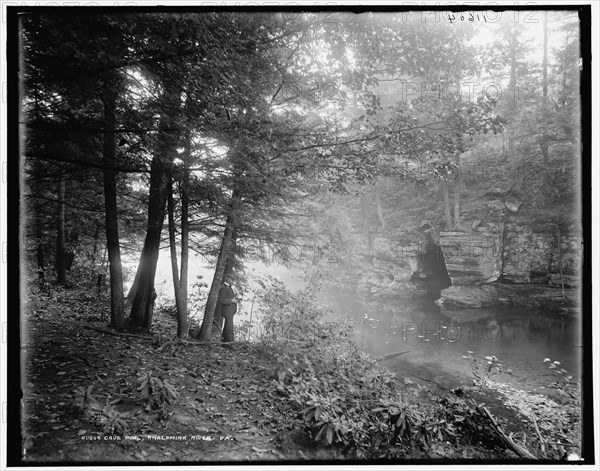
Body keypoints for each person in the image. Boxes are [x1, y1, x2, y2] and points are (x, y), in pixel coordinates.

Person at [219, 275, 238, 343]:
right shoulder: (224, 288)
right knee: (229, 327)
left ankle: (225, 342)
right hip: (227, 311)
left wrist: (234, 299)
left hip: (230, 311)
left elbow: (228, 297)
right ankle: (230, 343)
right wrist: (231, 301)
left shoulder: (228, 288)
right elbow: (221, 300)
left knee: (227, 326)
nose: (233, 282)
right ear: (228, 280)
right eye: (232, 280)